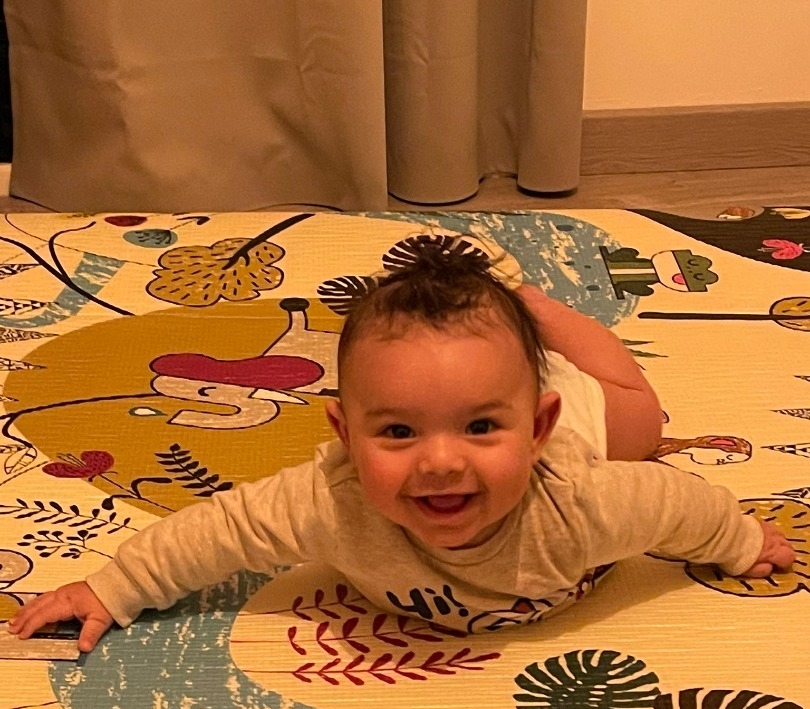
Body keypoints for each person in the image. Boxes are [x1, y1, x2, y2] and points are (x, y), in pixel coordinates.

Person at [7, 237, 795, 649]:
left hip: (589, 417)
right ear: (345, 437)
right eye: (397, 431)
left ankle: (539, 311)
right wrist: (114, 588)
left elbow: (681, 505)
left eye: (481, 428)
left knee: (643, 420)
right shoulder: (330, 500)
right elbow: (218, 532)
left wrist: (738, 541)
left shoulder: (584, 501)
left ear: (534, 429)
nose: (441, 461)